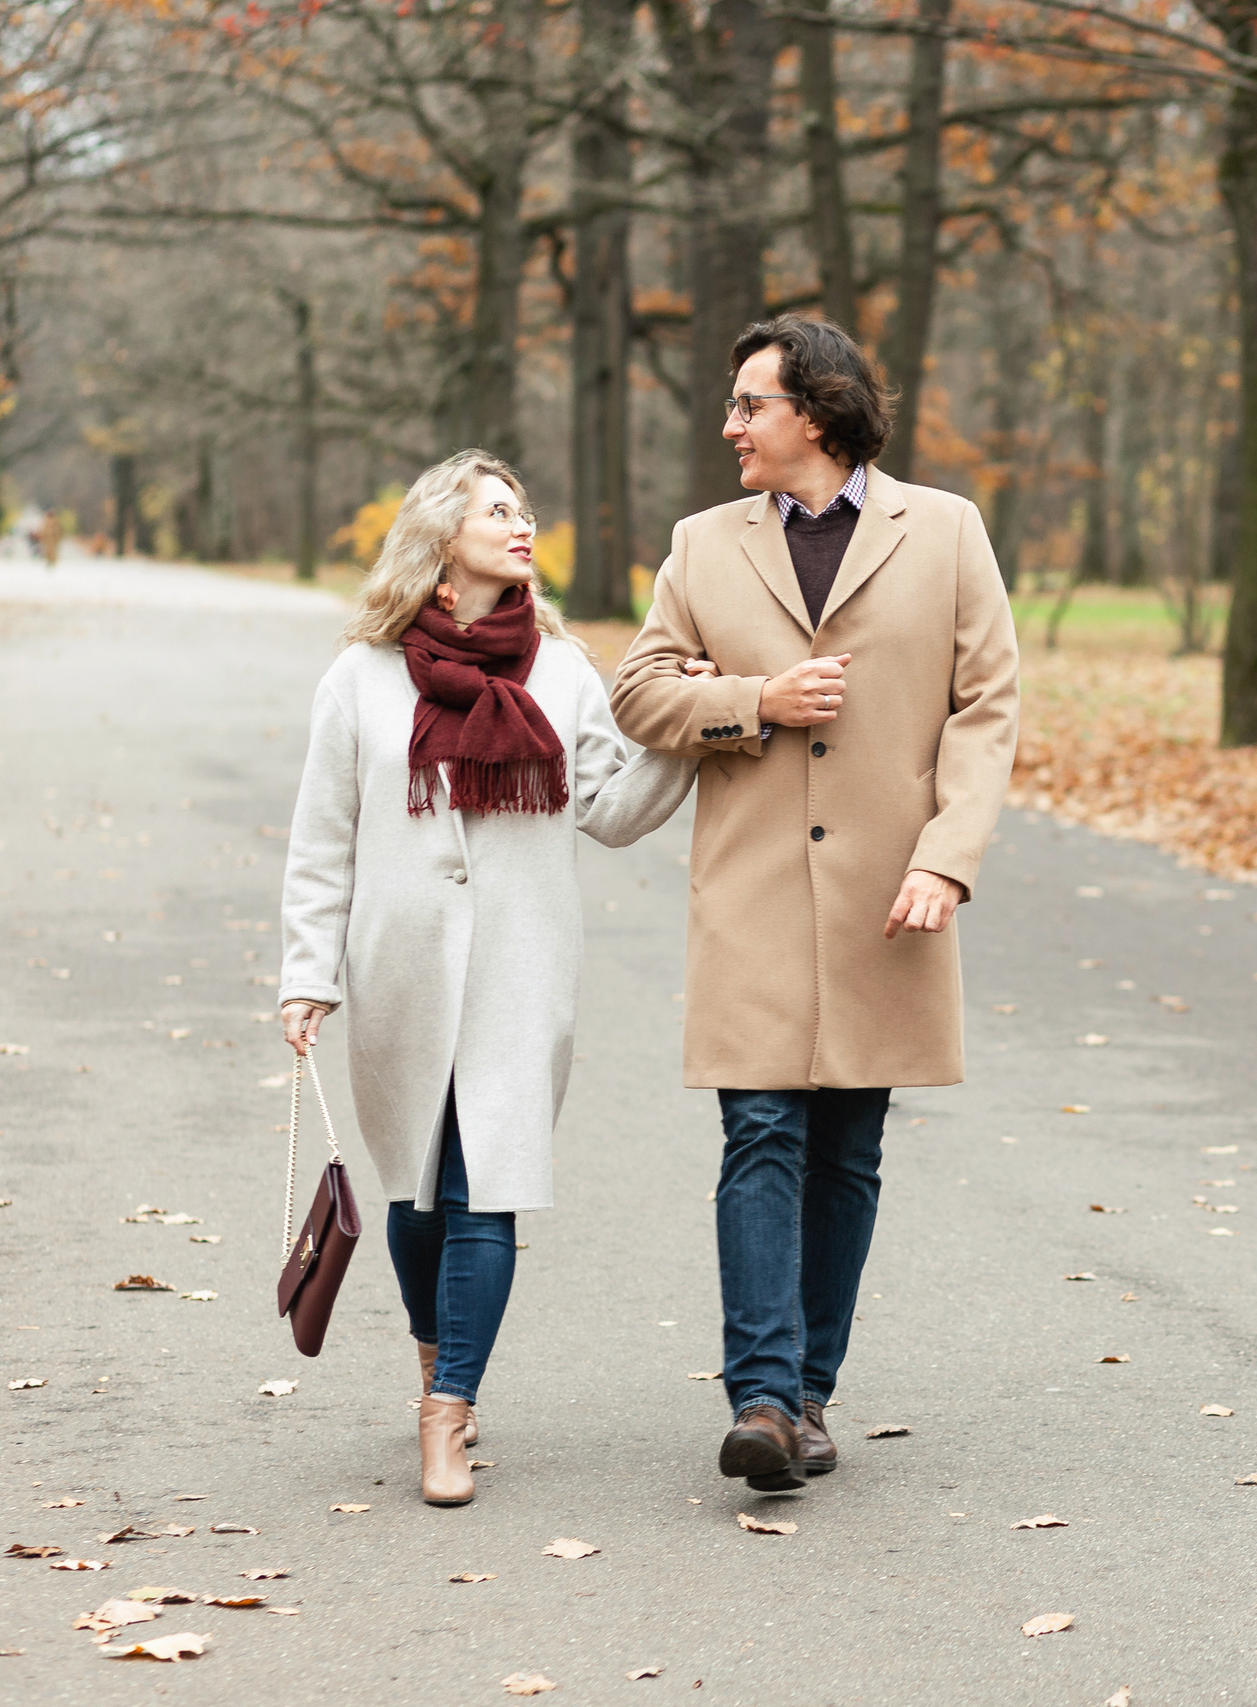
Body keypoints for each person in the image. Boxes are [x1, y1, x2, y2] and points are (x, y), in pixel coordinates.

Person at [610, 315, 1021, 1492]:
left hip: (889, 892)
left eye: (751, 404)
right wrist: (756, 699)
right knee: (760, 1133)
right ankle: (763, 1398)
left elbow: (986, 707)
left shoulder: (944, 532)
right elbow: (636, 691)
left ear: (819, 414)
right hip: (750, 891)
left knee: (847, 1147)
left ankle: (811, 1396)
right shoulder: (701, 545)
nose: (730, 425)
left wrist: (947, 857)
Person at [277, 449, 697, 1507]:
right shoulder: (361, 676)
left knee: (485, 1192)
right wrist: (305, 973)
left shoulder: (559, 669)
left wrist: (695, 733)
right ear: (439, 536)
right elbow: (323, 838)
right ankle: (436, 1351)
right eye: (497, 511)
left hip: (520, 967)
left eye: (525, 510)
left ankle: (447, 1408)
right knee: (416, 1197)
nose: (523, 526)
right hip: (400, 971)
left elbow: (605, 806)